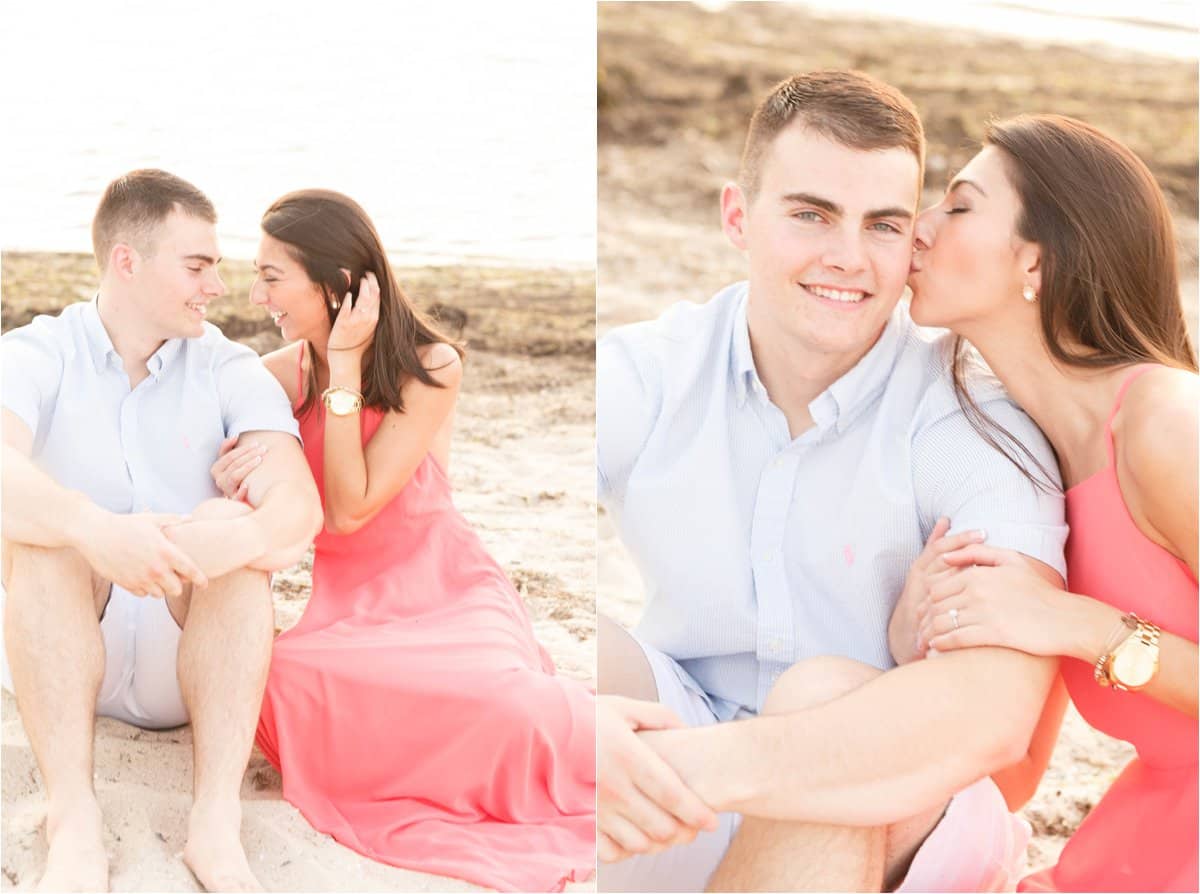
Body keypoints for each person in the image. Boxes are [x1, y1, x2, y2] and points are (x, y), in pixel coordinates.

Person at [597, 70, 1072, 892]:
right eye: (811, 214)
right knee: (588, 664)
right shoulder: (647, 373)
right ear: (738, 217)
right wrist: (576, 724)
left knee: (824, 699)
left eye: (883, 224)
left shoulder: (970, 419)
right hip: (672, 765)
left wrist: (710, 767)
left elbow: (997, 712)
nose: (848, 259)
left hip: (886, 803)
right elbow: (475, 563)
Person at [209, 189, 596, 893]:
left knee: (508, 707)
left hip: (445, 586)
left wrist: (348, 367)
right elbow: (218, 438)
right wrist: (231, 465)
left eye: (272, 276)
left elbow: (352, 510)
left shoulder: (432, 366)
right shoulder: (278, 377)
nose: (257, 292)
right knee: (280, 681)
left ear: (335, 284)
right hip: (349, 605)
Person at [0, 169, 323, 892]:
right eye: (197, 265)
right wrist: (93, 530)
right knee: (44, 540)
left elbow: (297, 509)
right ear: (127, 261)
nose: (216, 286)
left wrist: (231, 536)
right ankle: (73, 821)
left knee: (232, 526)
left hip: (196, 663)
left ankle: (215, 827)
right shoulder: (38, 353)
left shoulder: (230, 369)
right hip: (62, 665)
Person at [907, 113, 1198, 892]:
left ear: (1036, 260)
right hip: (1148, 834)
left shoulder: (1167, 427)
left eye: (958, 206)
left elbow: (1061, 626)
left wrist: (1078, 624)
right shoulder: (1021, 460)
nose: (917, 228)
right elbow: (1014, 769)